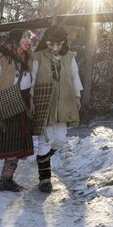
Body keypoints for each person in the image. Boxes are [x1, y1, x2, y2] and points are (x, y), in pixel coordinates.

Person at [30, 26, 83, 194]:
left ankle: (42, 159)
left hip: (64, 103)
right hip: (44, 102)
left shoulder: (69, 57)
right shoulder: (38, 56)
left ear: (63, 43)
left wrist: (77, 96)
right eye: (51, 44)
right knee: (45, 140)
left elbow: (75, 76)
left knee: (60, 139)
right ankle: (44, 179)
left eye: (58, 44)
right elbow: (31, 78)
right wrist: (30, 99)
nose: (54, 48)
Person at [0, 29, 35, 192]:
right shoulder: (0, 59)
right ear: (15, 40)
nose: (28, 40)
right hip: (4, 107)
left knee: (17, 146)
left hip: (21, 106)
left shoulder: (28, 59)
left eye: (29, 37)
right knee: (1, 146)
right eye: (24, 37)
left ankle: (6, 180)